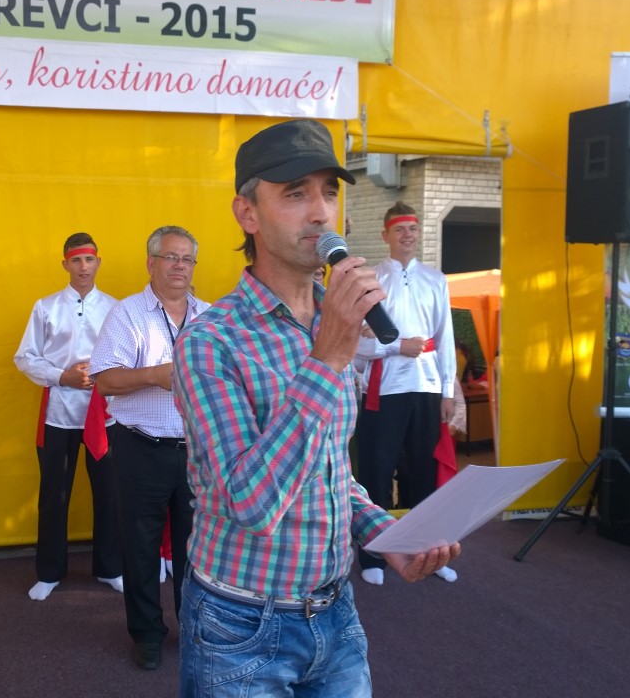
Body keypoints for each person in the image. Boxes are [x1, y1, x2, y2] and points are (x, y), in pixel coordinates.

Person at [173, 118, 459, 697]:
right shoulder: (211, 340)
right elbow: (250, 504)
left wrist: (388, 537)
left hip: (335, 613)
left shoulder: (334, 321)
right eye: (295, 193)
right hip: (240, 623)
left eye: (329, 192)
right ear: (247, 214)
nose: (321, 212)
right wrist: (327, 360)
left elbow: (331, 472)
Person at [88, 225, 209, 671]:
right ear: (151, 263)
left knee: (198, 551)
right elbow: (105, 381)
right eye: (171, 257)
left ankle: (196, 629)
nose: (180, 266)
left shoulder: (210, 316)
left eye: (187, 259)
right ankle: (146, 634)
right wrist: (156, 375)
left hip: (198, 452)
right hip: (141, 448)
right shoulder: (127, 313)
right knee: (140, 549)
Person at [353, 201, 457, 586]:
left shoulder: (436, 279)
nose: (407, 235)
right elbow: (356, 344)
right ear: (386, 235)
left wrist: (448, 390)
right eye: (399, 229)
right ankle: (373, 555)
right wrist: (397, 346)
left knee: (423, 471)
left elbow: (445, 338)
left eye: (412, 228)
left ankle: (425, 551)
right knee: (377, 470)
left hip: (426, 387)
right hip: (385, 387)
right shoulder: (371, 281)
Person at [13, 232, 122, 601]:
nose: (83, 267)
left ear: (98, 263)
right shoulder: (46, 307)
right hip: (59, 413)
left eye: (89, 259)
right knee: (54, 494)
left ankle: (110, 568)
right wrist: (63, 376)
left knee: (109, 493)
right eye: (76, 260)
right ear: (65, 264)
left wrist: (102, 374)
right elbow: (25, 357)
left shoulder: (116, 309)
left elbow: (127, 355)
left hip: (104, 415)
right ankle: (49, 572)